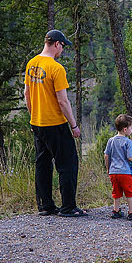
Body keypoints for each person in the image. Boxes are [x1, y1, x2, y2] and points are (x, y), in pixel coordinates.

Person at [23, 29, 86, 217]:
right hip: (55, 123)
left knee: (42, 164)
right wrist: (73, 125)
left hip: (38, 123)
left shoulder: (31, 63)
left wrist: (33, 116)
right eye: (63, 46)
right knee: (67, 163)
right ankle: (68, 207)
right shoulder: (56, 68)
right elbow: (63, 101)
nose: (62, 50)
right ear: (57, 44)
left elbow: (27, 94)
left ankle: (46, 206)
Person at [104, 114, 132, 221]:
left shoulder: (111, 141)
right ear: (125, 129)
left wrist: (108, 168)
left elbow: (106, 155)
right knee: (129, 192)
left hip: (113, 172)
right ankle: (131, 212)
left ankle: (115, 211)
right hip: (125, 172)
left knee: (116, 192)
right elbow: (130, 157)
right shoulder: (128, 142)